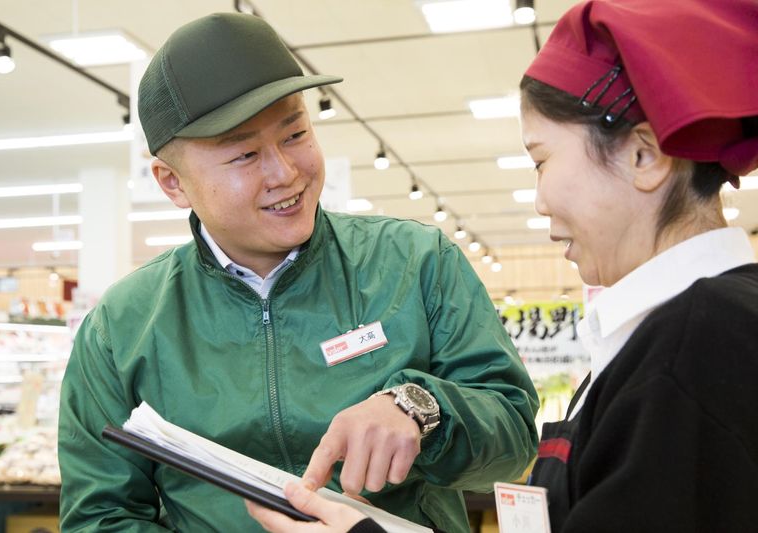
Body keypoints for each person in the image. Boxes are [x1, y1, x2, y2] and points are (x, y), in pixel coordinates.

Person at [247, 0, 758, 531]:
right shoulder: (680, 333)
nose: (540, 201)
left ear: (643, 156)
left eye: (541, 160)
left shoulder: (702, 345)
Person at [57, 12, 539, 533]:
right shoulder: (121, 327)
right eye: (245, 154)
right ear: (172, 182)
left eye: (295, 134)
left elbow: (513, 438)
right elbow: (100, 517)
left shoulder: (418, 262)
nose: (285, 173)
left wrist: (423, 409)